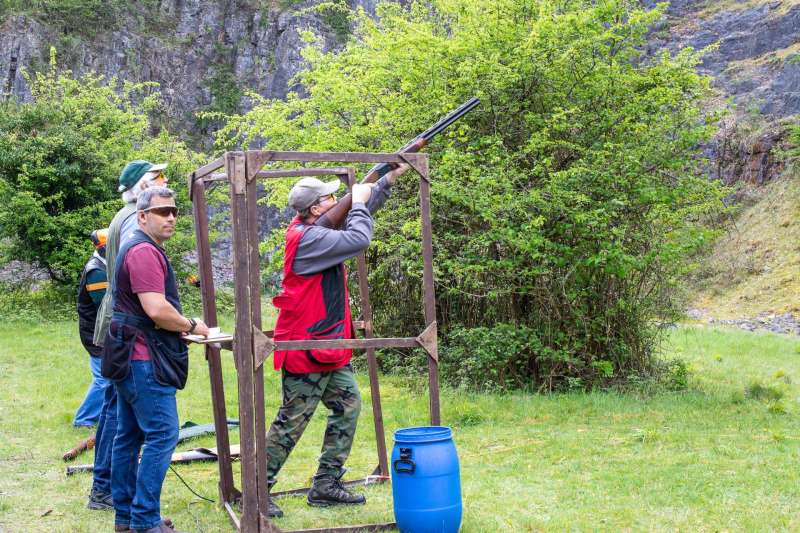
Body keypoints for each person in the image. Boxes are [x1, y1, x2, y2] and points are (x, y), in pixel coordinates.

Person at [266, 163, 409, 517]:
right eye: (331, 197)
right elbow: (360, 236)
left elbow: (355, 214)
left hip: (327, 345)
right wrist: (357, 202)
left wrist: (387, 178)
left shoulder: (316, 229)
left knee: (348, 406)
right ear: (316, 208)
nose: (336, 200)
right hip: (306, 346)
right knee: (292, 422)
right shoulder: (308, 237)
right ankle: (257, 488)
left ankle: (326, 484)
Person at [104, 186, 209, 533]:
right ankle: (144, 520)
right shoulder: (144, 251)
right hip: (141, 358)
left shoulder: (140, 246)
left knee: (129, 435)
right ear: (142, 216)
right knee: (163, 433)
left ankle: (126, 517)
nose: (171, 217)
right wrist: (191, 325)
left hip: (129, 354)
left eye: (174, 211)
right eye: (163, 211)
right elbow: (157, 309)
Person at [87, 160, 168, 512]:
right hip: (126, 329)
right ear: (138, 189)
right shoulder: (131, 219)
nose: (162, 183)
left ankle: (109, 490)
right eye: (155, 179)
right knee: (118, 415)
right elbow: (135, 287)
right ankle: (105, 489)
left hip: (122, 325)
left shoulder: (129, 216)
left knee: (119, 414)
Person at [73, 229, 110, 427]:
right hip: (96, 334)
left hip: (101, 331)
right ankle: (83, 419)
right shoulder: (96, 271)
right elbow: (105, 305)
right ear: (103, 248)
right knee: (103, 379)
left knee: (109, 378)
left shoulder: (104, 265)